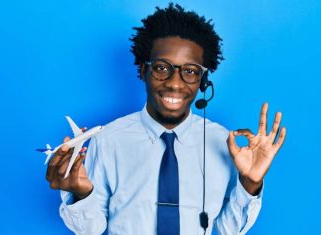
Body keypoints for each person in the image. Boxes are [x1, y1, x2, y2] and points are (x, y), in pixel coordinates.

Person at [46, 3, 286, 235]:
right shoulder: (107, 140)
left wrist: (250, 183)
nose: (174, 82)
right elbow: (91, 230)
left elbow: (228, 231)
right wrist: (81, 195)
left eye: (190, 71)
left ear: (203, 81)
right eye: (162, 68)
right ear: (143, 70)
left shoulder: (225, 144)